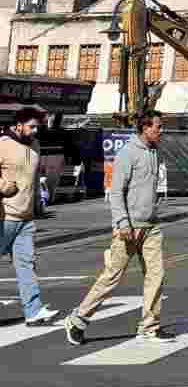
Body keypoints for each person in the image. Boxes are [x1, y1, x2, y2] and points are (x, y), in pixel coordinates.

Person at [65, 112, 171, 346]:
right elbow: (116, 192)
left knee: (156, 274)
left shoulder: (154, 151)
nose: (161, 131)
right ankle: (78, 319)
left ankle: (149, 326)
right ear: (145, 128)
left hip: (151, 226)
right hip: (129, 227)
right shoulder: (128, 154)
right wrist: (122, 223)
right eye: (158, 127)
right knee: (112, 277)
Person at [0, 108, 58, 325]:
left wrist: (38, 206)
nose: (35, 131)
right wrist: (4, 186)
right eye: (31, 126)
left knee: (27, 265)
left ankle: (33, 311)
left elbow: (33, 181)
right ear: (18, 125)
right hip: (4, 216)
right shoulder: (3, 144)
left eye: (37, 127)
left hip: (26, 218)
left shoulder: (35, 147)